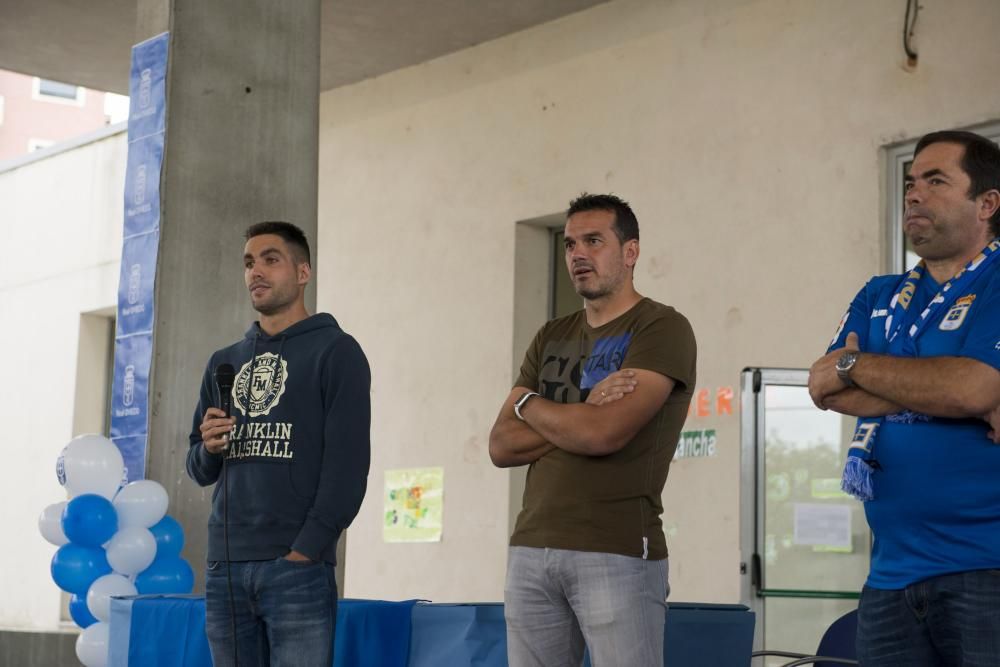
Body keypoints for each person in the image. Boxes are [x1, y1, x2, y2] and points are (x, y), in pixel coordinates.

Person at [808, 130, 1000, 666]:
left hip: (987, 571)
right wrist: (950, 389)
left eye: (936, 181)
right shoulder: (879, 294)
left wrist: (860, 367)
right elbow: (825, 387)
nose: (914, 193)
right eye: (911, 181)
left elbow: (974, 386)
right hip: (890, 576)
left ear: (987, 203)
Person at [489, 193, 697, 667]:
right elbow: (501, 445)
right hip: (531, 547)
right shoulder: (551, 335)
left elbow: (605, 434)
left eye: (593, 240)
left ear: (630, 252)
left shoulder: (661, 328)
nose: (578, 254)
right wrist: (582, 407)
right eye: (569, 244)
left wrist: (531, 405)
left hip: (616, 550)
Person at [185, 221, 370, 667]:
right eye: (249, 262)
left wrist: (305, 550)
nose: (256, 272)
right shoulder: (224, 361)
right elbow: (198, 468)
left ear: (303, 272)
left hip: (297, 567)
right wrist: (208, 448)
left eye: (271, 259)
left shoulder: (336, 352)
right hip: (225, 568)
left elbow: (347, 468)